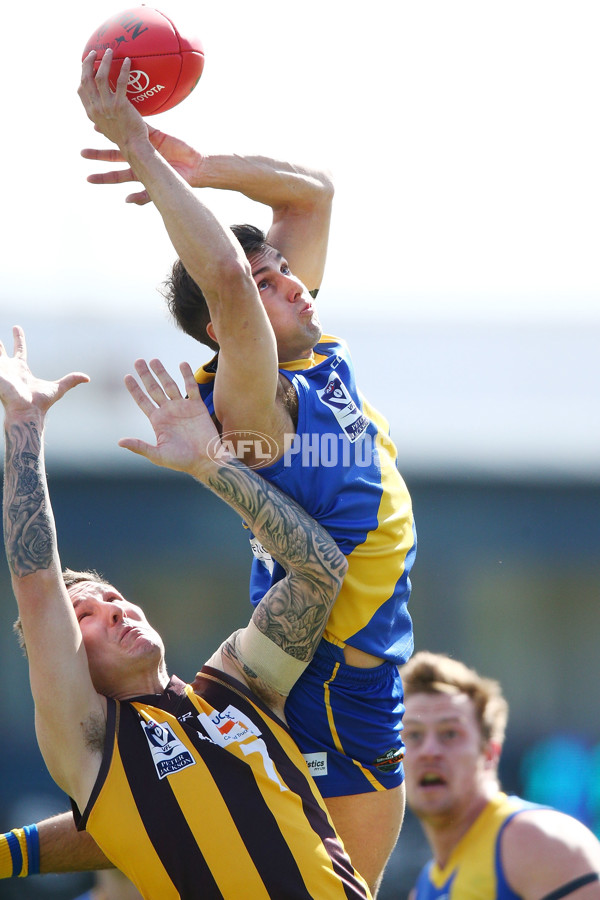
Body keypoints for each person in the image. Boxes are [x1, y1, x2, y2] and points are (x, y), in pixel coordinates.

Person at [72, 47, 417, 892]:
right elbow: (223, 276)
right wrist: (141, 154)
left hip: (356, 670)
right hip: (330, 682)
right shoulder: (253, 410)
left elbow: (313, 193)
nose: (293, 284)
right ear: (230, 333)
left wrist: (201, 166)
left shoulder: (314, 350)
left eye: (287, 271)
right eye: (271, 283)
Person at [0, 324, 371, 899]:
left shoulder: (234, 689)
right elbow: (36, 584)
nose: (116, 611)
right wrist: (24, 423)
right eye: (87, 616)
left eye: (115, 598)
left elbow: (319, 570)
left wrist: (211, 464)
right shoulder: (92, 742)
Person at [401, 651, 600, 899]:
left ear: (490, 753)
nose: (429, 752)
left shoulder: (538, 840)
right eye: (413, 735)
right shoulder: (422, 889)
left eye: (449, 734)